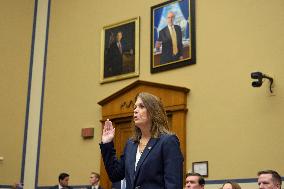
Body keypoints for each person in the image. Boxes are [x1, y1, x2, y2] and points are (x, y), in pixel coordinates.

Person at [100, 92, 184, 189]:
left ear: (154, 111)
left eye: (141, 106)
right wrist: (107, 143)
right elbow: (115, 174)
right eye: (135, 107)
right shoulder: (131, 144)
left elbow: (173, 184)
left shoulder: (168, 141)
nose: (135, 110)